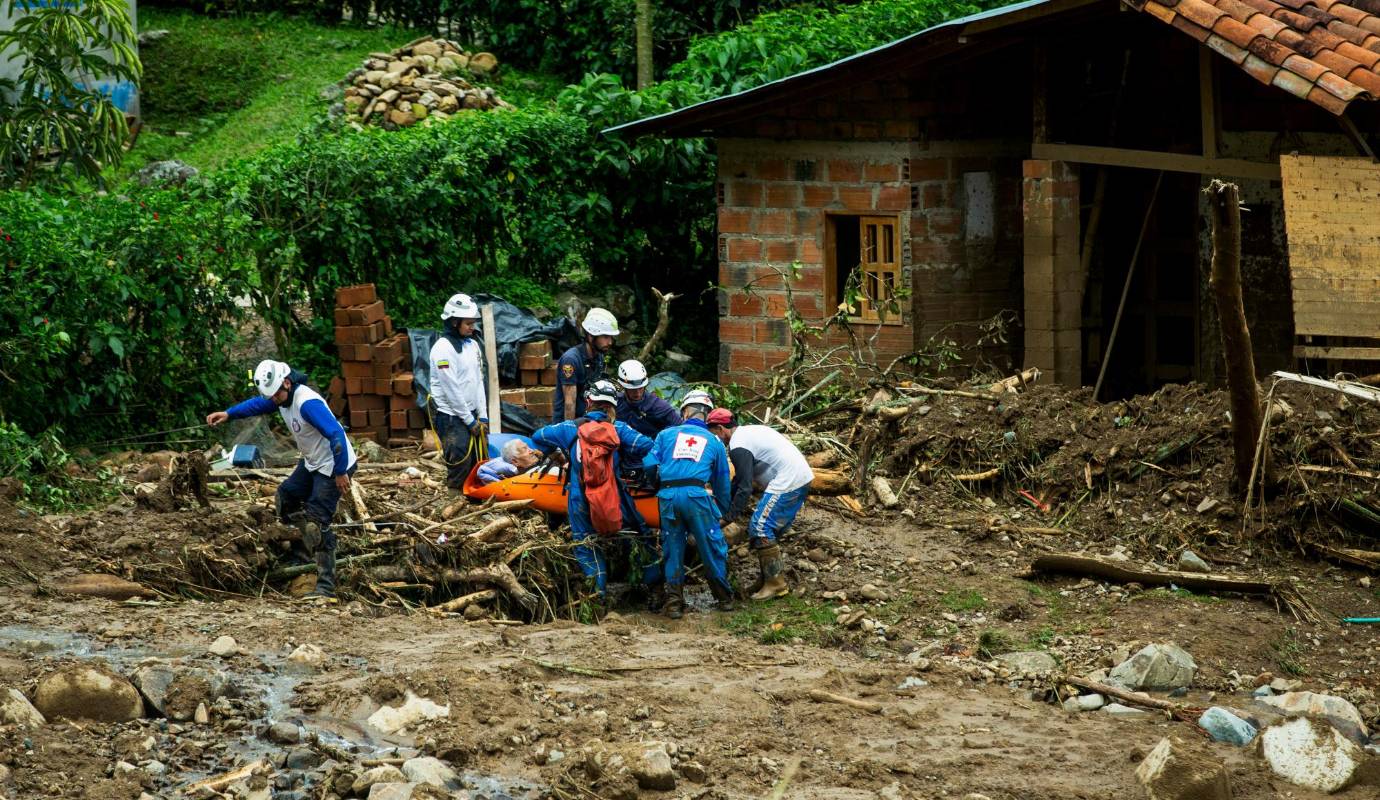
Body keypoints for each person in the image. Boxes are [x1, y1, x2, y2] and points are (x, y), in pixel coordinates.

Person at [207, 360, 356, 601]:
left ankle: (326, 586)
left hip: (333, 464)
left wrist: (341, 472)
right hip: (312, 462)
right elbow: (258, 405)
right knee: (286, 497)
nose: (274, 399)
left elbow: (337, 435)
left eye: (276, 394)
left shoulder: (307, 403)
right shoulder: (281, 396)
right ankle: (302, 553)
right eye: (271, 395)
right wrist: (229, 413)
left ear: (287, 382)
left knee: (317, 521)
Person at [531, 379, 657, 598]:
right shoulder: (619, 429)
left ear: (588, 402)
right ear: (611, 407)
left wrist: (557, 455)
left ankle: (598, 596)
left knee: (586, 544)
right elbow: (648, 445)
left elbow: (537, 436)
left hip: (580, 499)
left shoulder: (569, 428)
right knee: (640, 535)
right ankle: (655, 591)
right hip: (614, 497)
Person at [706, 408, 814, 601]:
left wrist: (729, 517)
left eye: (714, 434)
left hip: (789, 479)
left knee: (761, 527)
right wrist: (722, 502)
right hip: (800, 476)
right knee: (766, 530)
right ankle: (767, 578)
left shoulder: (738, 445)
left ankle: (776, 584)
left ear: (721, 429)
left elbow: (745, 487)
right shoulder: (747, 433)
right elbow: (739, 480)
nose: (717, 440)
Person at [650, 389, 733, 618]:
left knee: (672, 549)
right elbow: (722, 482)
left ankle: (674, 604)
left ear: (684, 411)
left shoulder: (665, 435)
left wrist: (656, 485)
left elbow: (648, 463)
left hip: (667, 497)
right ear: (707, 414)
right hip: (697, 497)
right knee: (711, 546)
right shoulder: (714, 442)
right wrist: (723, 510)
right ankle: (724, 599)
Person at [429, 293, 487, 491]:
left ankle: (473, 498)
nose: (472, 327)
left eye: (473, 323)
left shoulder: (472, 345)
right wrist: (469, 421)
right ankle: (453, 500)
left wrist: (483, 416)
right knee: (459, 460)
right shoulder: (443, 349)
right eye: (468, 323)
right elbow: (451, 390)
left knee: (478, 461)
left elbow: (479, 382)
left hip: (471, 413)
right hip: (452, 416)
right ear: (454, 322)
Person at [554, 307, 619, 422]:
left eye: (611, 337)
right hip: (570, 424)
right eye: (605, 337)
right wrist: (570, 434)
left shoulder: (598, 356)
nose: (610, 342)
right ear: (590, 336)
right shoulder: (571, 360)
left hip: (589, 421)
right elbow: (570, 403)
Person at [614, 359, 681, 438]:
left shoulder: (659, 406)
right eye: (633, 389)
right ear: (623, 386)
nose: (638, 393)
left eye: (640, 388)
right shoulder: (615, 402)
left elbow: (681, 428)